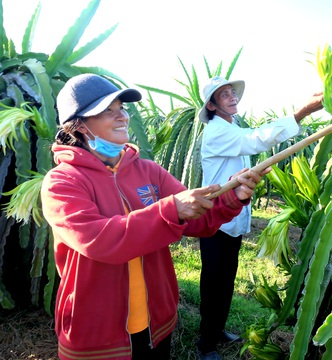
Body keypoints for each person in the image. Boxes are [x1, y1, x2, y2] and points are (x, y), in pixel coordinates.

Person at [41, 74, 267, 360]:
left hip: (155, 321)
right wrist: (169, 209)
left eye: (121, 108)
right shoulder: (62, 181)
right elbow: (99, 240)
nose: (122, 117)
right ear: (79, 125)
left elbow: (196, 220)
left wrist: (233, 196)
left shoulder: (148, 171)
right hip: (96, 328)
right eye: (108, 111)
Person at [197, 76, 323, 359]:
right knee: (213, 281)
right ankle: (206, 345)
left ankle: (216, 330)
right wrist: (301, 112)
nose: (232, 97)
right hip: (215, 220)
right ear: (213, 106)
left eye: (233, 93)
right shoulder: (218, 131)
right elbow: (257, 140)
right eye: (224, 95)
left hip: (231, 219)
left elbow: (252, 138)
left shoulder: (233, 128)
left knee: (226, 279)